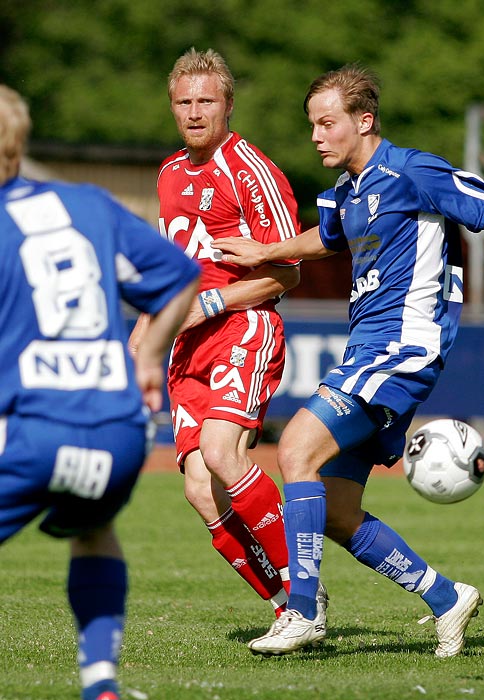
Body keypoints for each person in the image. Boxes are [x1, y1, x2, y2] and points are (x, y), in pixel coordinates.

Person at [213, 64, 484, 657]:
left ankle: (301, 612)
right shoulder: (351, 191)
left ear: (365, 119)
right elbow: (327, 237)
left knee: (295, 450)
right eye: (313, 125)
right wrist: (268, 251)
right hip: (369, 350)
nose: (317, 136)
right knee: (335, 509)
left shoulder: (412, 170)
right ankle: (445, 597)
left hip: (401, 349)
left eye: (327, 123)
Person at [0, 85, 199, 700]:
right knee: (94, 532)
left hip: (30, 429)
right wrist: (147, 362)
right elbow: (181, 279)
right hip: (118, 433)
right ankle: (101, 684)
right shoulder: (87, 203)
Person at [129, 48, 319, 620]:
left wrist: (207, 303)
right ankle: (289, 605)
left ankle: (306, 596)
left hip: (242, 325)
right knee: (198, 490)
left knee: (221, 453)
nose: (193, 111)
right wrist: (148, 318)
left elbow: (286, 272)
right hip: (187, 345)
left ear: (228, 105)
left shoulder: (251, 171)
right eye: (183, 102)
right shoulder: (167, 173)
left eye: (205, 100)